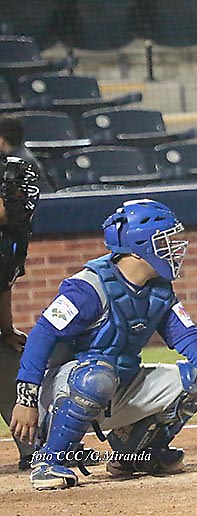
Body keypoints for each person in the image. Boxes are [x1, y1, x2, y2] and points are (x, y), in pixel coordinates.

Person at [9, 199, 197, 490]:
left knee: (191, 381)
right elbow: (42, 333)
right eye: (164, 240)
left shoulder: (159, 291)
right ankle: (49, 460)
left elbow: (192, 341)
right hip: (65, 391)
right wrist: (26, 399)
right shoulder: (88, 287)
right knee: (97, 375)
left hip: (116, 385)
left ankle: (134, 455)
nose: (172, 248)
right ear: (138, 247)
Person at [0, 156, 40, 469]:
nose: (18, 198)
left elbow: (2, 282)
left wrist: (7, 329)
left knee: (8, 356)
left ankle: (35, 447)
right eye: (8, 192)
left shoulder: (10, 237)